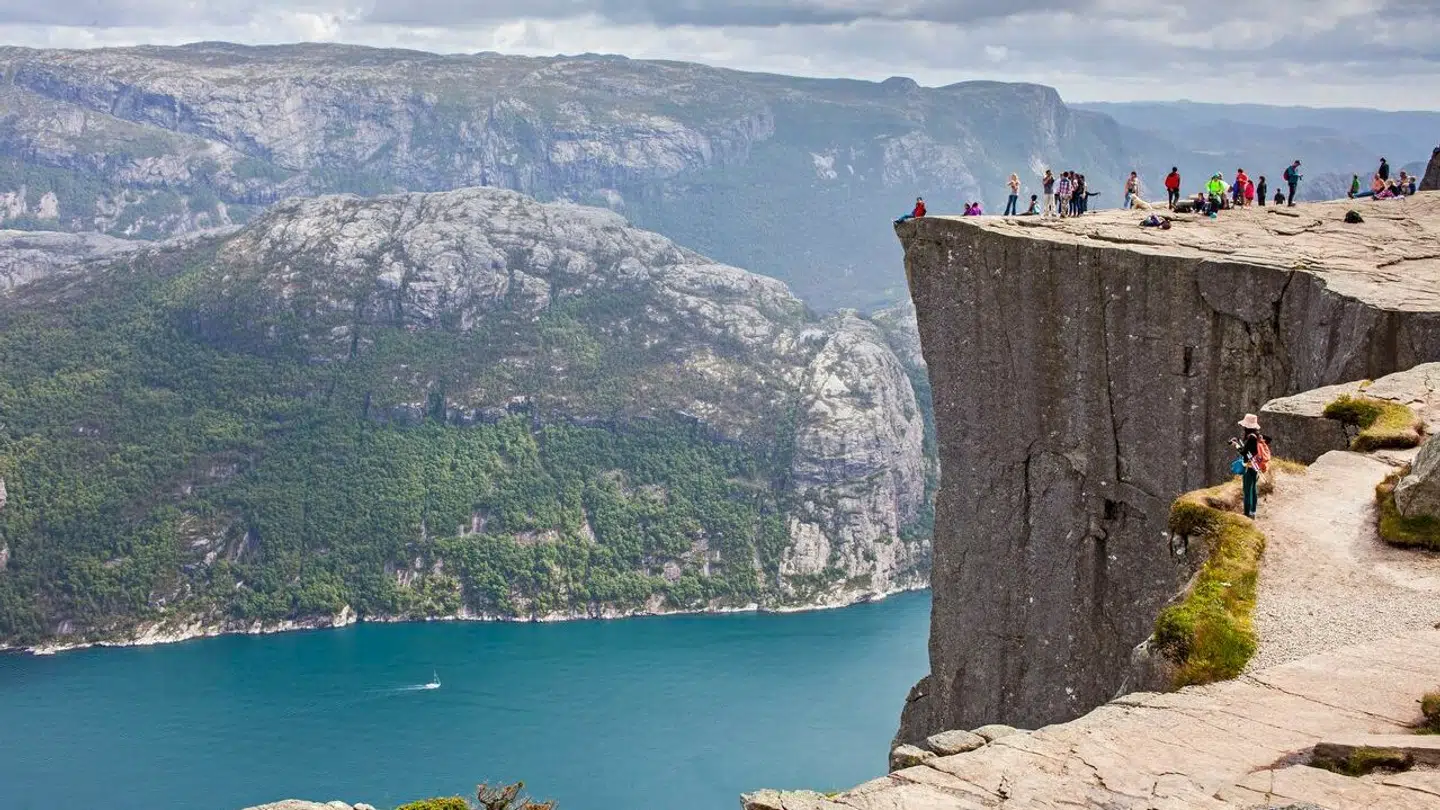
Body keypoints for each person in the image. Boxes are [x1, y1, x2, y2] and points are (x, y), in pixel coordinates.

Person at [1230, 414, 1268, 520]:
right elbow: (1250, 451)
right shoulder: (1257, 436)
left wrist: (1235, 445)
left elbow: (1244, 453)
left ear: (1247, 426)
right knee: (1253, 490)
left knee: (1247, 491)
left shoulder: (1251, 438)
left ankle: (1247, 514)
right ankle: (1253, 512)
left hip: (1249, 467)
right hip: (1256, 467)